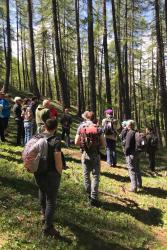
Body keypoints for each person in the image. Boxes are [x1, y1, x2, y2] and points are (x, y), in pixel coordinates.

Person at [34, 118, 63, 238]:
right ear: (55, 128)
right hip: (51, 173)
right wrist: (60, 172)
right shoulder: (56, 140)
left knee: (42, 190)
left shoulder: (37, 137)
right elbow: (57, 159)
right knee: (51, 199)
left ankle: (43, 214)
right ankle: (48, 228)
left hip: (38, 171)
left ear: (45, 126)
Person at [75, 111, 105, 206]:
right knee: (95, 176)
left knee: (86, 175)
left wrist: (84, 146)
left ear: (86, 118)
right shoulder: (98, 128)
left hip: (85, 153)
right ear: (93, 118)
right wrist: (96, 145)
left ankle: (88, 195)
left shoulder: (81, 127)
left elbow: (76, 142)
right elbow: (104, 144)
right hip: (95, 154)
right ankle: (94, 197)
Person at [124, 120, 142, 192]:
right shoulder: (136, 132)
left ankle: (133, 187)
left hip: (131, 154)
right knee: (137, 168)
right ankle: (139, 184)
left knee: (131, 170)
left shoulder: (130, 133)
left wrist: (125, 152)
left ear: (129, 125)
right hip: (137, 153)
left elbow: (127, 145)